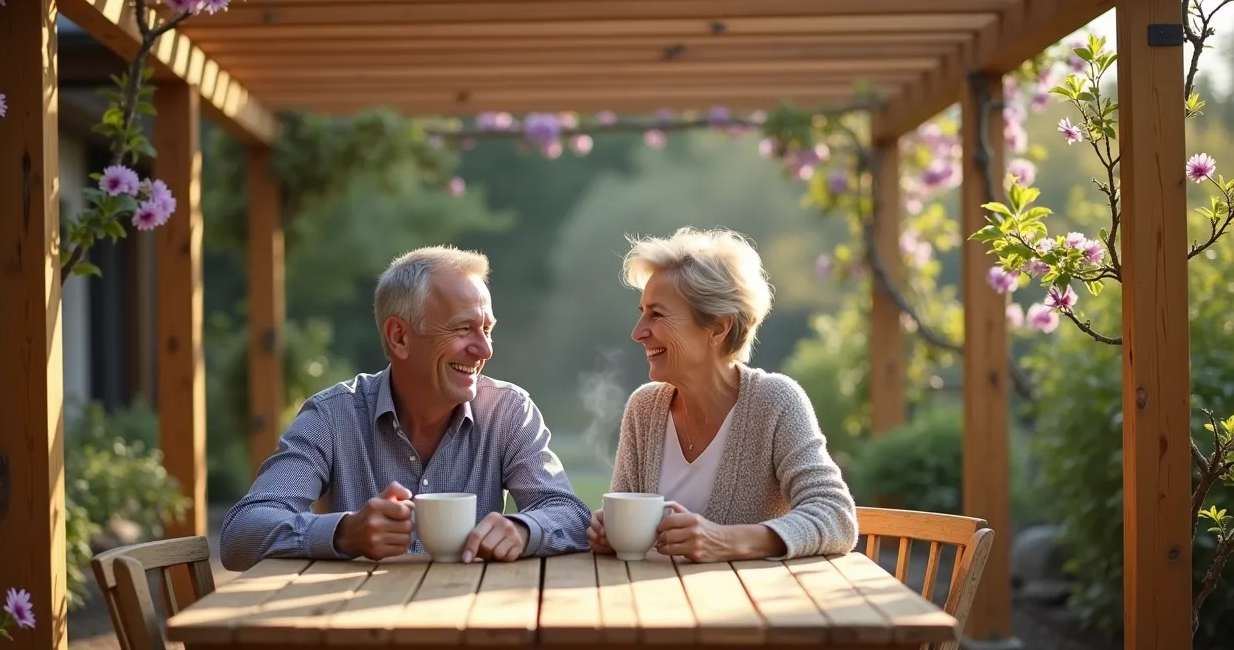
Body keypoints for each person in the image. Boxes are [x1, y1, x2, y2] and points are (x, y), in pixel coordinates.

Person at [220, 246, 591, 571]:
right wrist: (345, 533)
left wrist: (525, 530)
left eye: (487, 329)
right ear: (399, 337)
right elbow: (241, 535)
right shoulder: (332, 417)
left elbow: (571, 515)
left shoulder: (508, 411)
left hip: (470, 626)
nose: (485, 350)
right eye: (463, 329)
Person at [586, 227, 858, 563]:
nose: (638, 332)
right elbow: (628, 519)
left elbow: (836, 517)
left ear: (718, 326)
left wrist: (728, 540)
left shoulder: (775, 402)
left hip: (749, 610)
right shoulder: (645, 408)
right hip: (653, 604)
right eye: (641, 312)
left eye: (656, 314)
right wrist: (609, 531)